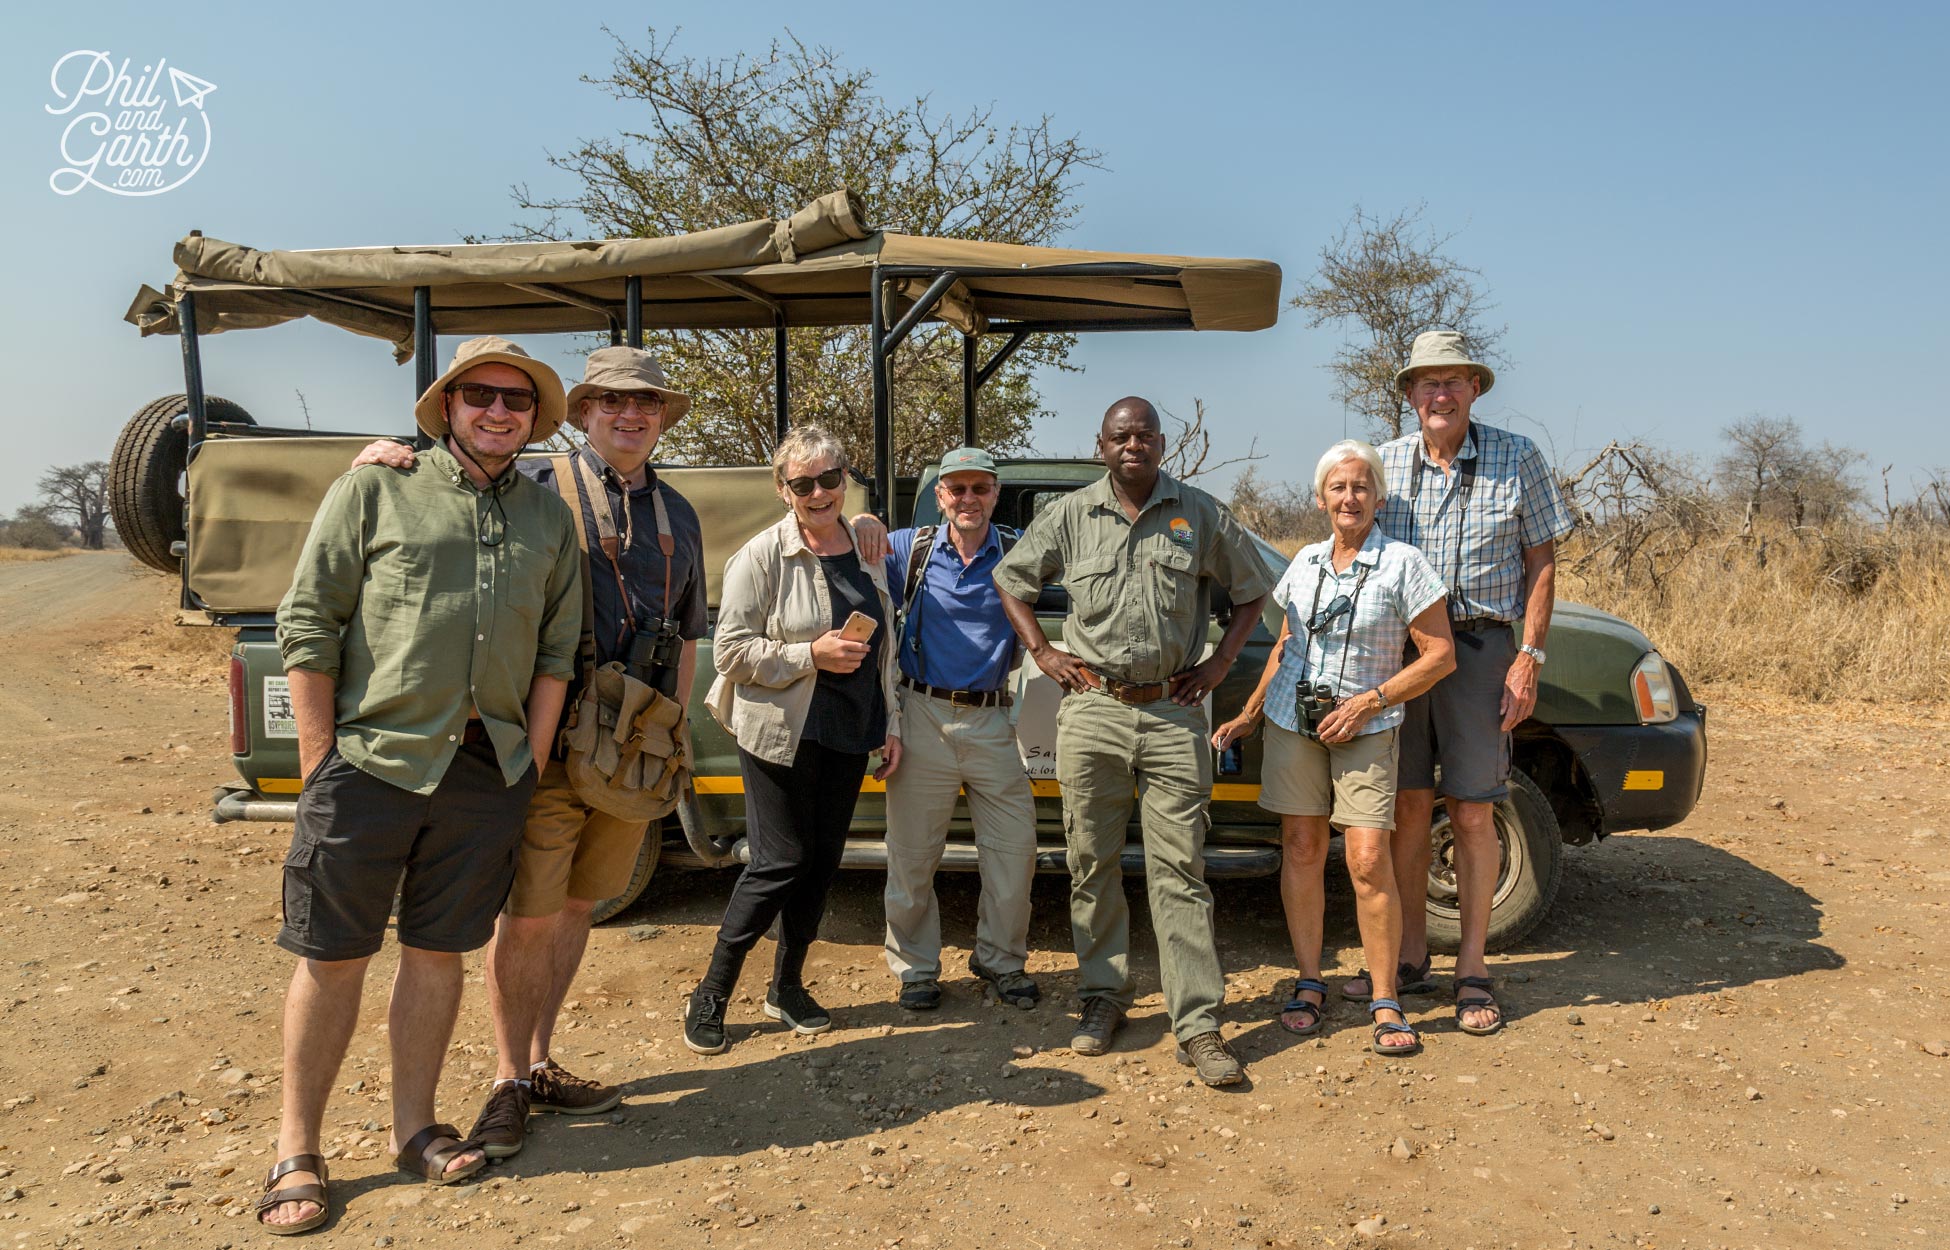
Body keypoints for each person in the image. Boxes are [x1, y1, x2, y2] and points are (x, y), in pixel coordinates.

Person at [256, 337, 580, 1233]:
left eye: (517, 399)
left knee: (438, 953)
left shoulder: (549, 523)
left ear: (532, 419)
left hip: (486, 771)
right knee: (334, 955)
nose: (499, 410)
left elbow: (557, 652)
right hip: (368, 761)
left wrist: (534, 759)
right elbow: (308, 619)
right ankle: (297, 1148)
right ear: (447, 406)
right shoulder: (373, 487)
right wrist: (319, 754)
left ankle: (415, 1129)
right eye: (481, 394)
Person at [352, 346, 708, 1160]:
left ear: (661, 418)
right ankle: (510, 1080)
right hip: (550, 741)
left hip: (630, 750)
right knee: (533, 911)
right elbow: (450, 489)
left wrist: (673, 728)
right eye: (613, 402)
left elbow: (688, 633)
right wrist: (385, 454)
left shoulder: (679, 514)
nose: (631, 416)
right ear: (582, 412)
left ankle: (540, 1058)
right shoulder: (536, 487)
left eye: (647, 404)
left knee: (582, 904)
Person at [993, 398, 1271, 1087]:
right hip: (1093, 711)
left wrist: (1217, 665)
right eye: (1121, 436)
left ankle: (1199, 1025)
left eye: (1145, 434)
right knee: (1092, 861)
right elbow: (1012, 581)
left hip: (1175, 713)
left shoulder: (1199, 514)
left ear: (1161, 443)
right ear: (1102, 445)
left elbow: (1253, 592)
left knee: (1181, 871)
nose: (1133, 445)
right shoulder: (1070, 515)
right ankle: (1101, 998)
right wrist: (1044, 653)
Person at [1340, 331, 1574, 1035]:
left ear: (1475, 388)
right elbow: (1354, 548)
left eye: (1453, 382)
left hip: (1480, 649)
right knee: (1407, 808)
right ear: (1410, 394)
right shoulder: (1381, 463)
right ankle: (1409, 959)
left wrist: (1528, 656)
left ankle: (1472, 970)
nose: (1439, 395)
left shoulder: (1516, 456)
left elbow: (1542, 563)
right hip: (1399, 655)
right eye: (1427, 383)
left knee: (1472, 810)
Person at [1212, 441, 1455, 1054]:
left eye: (1361, 487)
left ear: (1378, 496)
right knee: (1300, 846)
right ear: (1320, 499)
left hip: (1366, 728)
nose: (1350, 497)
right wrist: (1248, 714)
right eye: (1338, 488)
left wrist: (1370, 702)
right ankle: (1310, 980)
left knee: (1369, 858)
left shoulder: (1404, 564)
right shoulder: (1305, 562)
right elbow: (1284, 645)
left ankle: (1385, 998)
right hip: (1296, 722)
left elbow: (1440, 655)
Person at [686, 425, 902, 1054]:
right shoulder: (761, 556)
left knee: (821, 864)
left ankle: (787, 986)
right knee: (778, 862)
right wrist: (811, 653)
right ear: (782, 490)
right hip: (781, 733)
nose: (817, 492)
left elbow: (886, 649)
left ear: (845, 481)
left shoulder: (867, 546)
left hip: (848, 731)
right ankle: (713, 991)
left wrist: (889, 726)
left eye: (829, 478)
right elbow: (729, 651)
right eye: (801, 483)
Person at [878, 446, 1040, 1012]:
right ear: (940, 495)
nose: (968, 499)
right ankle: (916, 968)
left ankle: (1000, 959)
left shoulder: (1021, 549)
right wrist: (862, 519)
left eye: (979, 488)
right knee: (913, 855)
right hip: (921, 714)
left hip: (994, 717)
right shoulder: (911, 547)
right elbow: (852, 544)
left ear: (995, 493)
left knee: (1015, 851)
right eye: (956, 489)